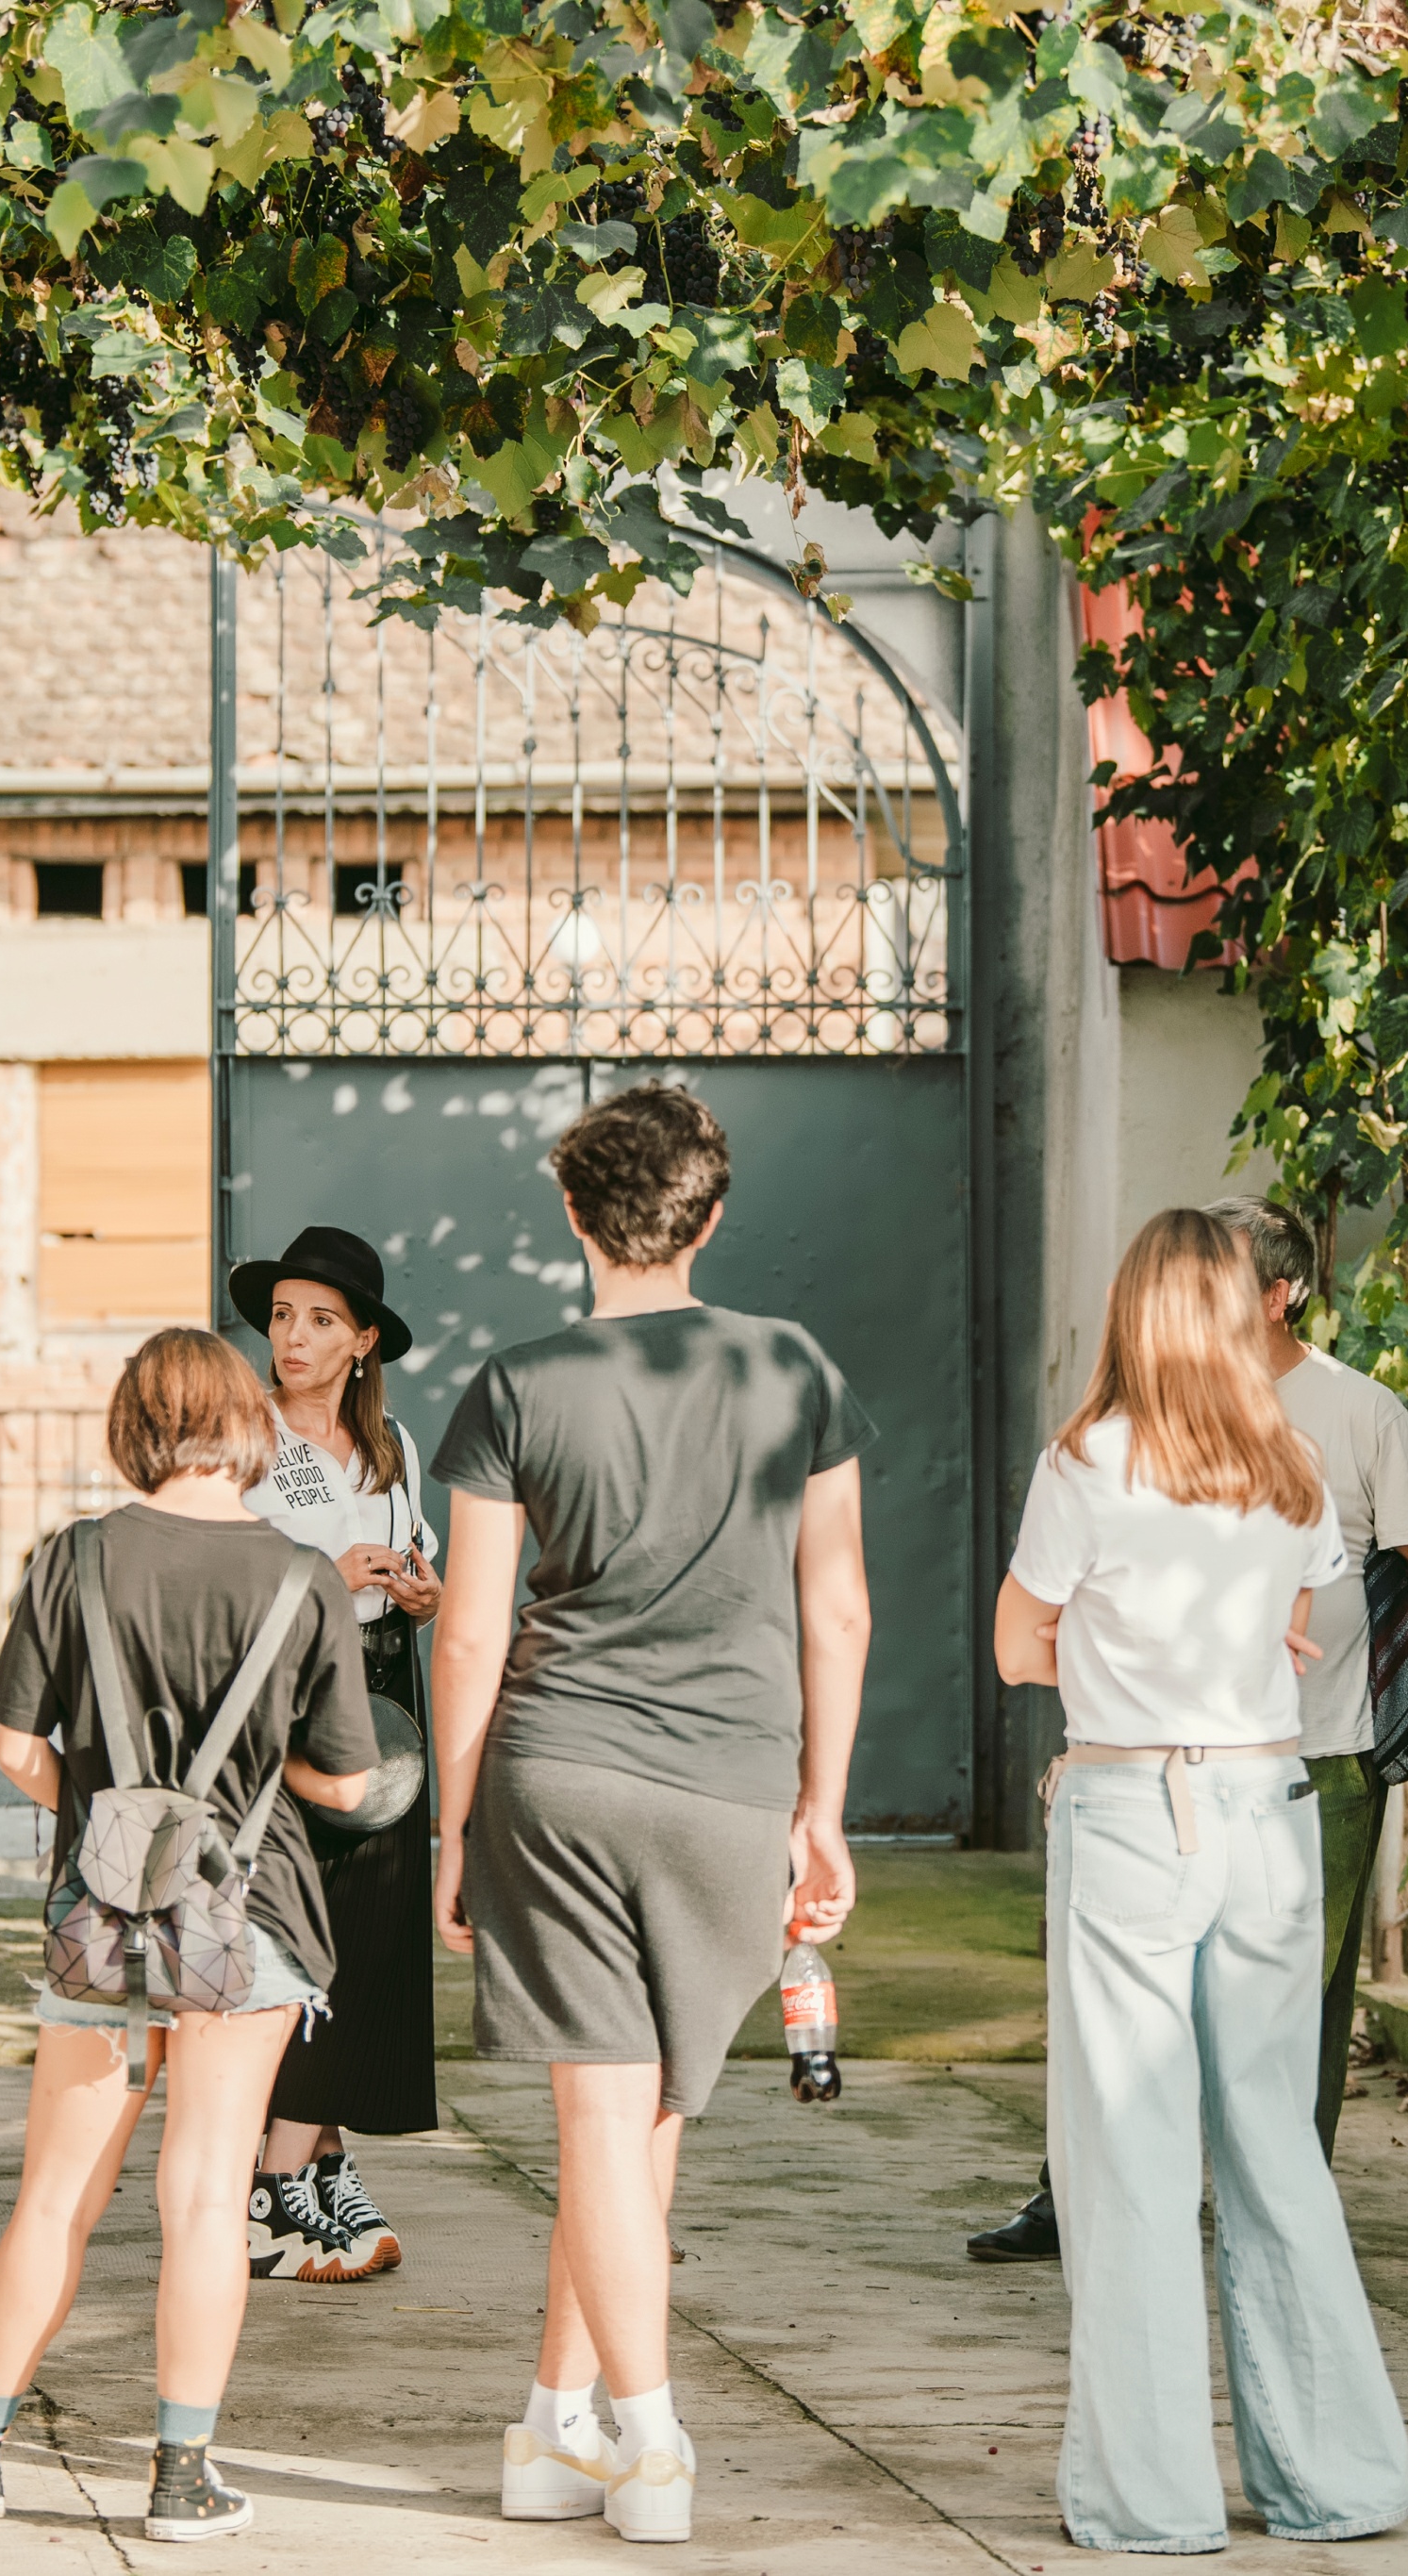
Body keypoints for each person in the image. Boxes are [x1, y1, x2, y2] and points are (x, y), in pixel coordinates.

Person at [428, 1082, 870, 2547]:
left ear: (573, 1212)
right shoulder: (794, 1368)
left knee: (607, 2118)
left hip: (559, 1772)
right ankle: (557, 2426)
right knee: (640, 2118)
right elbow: (839, 1605)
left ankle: (646, 2437)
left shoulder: (516, 1384)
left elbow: (470, 1633)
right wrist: (825, 1806)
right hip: (732, 1782)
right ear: (712, 1215)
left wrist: (454, 1827)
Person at [0, 1328, 379, 2542]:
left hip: (104, 1919)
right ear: (244, 1426)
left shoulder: (76, 1557)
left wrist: (115, 1827)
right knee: (206, 2196)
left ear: (134, 1425)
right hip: (252, 1919)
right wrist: (240, 1799)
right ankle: (182, 2477)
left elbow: (18, 1748)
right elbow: (348, 1782)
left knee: (57, 2192)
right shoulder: (303, 1577)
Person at [997, 1208, 1408, 2556]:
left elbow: (1017, 1646)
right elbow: (1298, 1625)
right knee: (1273, 2143)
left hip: (1136, 1799)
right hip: (1269, 1802)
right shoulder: (1290, 1458)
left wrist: (1112, 1655)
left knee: (1132, 2149)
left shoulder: (1088, 1459)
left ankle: (1152, 2497)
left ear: (1134, 1310)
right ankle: (1338, 2479)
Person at [966, 1194, 1408, 2266]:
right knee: (1129, 2012)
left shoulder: (1357, 1415)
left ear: (1279, 1296)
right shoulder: (1135, 1435)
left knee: (1292, 2010)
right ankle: (1073, 2196)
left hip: (1319, 1752)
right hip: (1157, 1756)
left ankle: (1274, 2208)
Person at [225, 1224, 444, 2283]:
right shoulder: (249, 1436)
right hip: (300, 1695)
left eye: (320, 1320)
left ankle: (322, 2156)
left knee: (373, 1940)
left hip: (387, 1690)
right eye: (282, 1317)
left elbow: (422, 1560)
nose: (294, 1337)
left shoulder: (389, 1444)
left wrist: (420, 1590)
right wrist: (329, 1571)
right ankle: (270, 2188)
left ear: (363, 1341)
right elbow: (221, 1571)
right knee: (309, 1939)